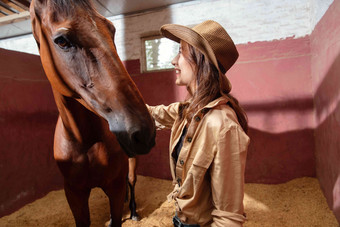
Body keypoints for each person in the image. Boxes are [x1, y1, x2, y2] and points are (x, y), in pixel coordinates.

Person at [147, 20, 250, 227]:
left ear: (200, 60)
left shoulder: (222, 124)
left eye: (181, 52)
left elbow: (228, 218)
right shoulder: (186, 111)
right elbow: (150, 114)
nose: (174, 61)